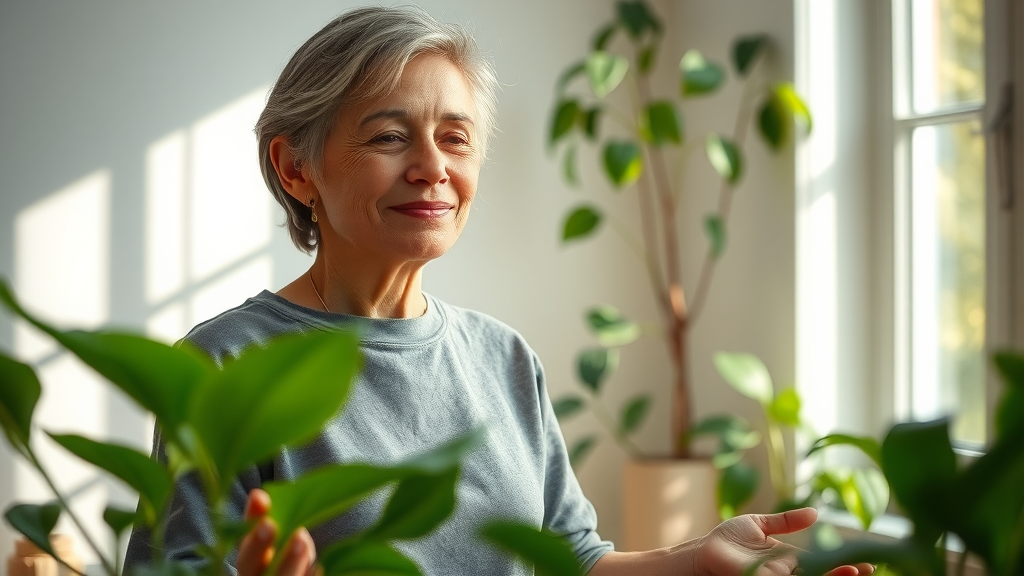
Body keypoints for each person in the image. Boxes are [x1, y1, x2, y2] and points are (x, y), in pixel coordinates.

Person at [125, 6, 873, 576]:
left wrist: (694, 560)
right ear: (296, 168)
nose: (431, 167)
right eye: (389, 136)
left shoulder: (503, 355)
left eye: (455, 138)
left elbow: (573, 559)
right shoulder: (223, 364)